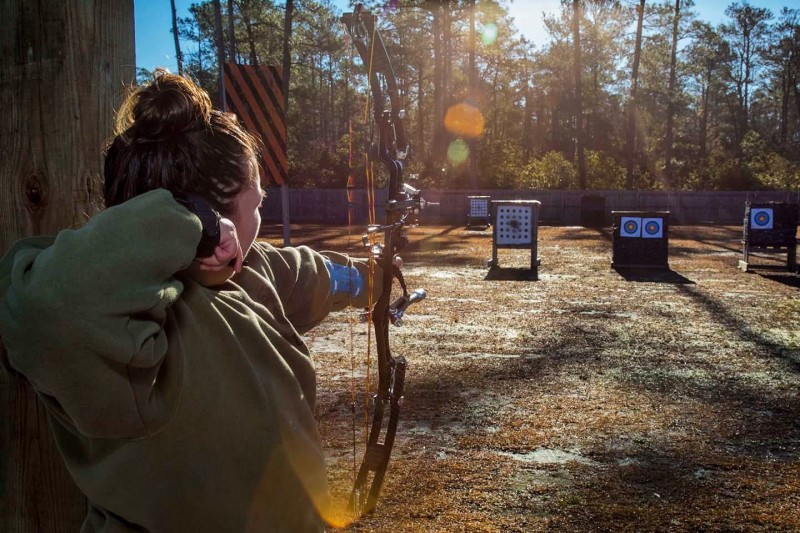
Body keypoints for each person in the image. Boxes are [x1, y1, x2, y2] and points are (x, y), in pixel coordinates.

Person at [0, 71, 375, 531]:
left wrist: (366, 279)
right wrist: (193, 221)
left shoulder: (247, 272)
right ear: (212, 222)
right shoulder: (134, 343)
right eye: (256, 204)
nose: (260, 216)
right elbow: (44, 308)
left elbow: (305, 273)